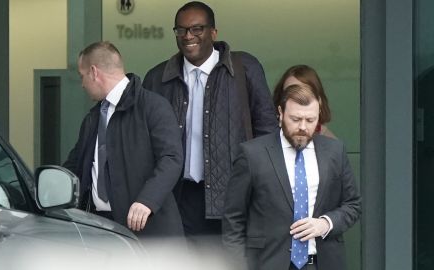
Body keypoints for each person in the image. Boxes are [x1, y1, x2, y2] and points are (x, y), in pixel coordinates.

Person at [142, 1, 277, 247]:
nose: (188, 36)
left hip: (233, 196)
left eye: (196, 29)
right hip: (178, 197)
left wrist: (265, 190)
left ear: (213, 32)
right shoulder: (157, 78)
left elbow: (267, 132)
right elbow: (143, 143)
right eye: (181, 30)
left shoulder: (244, 68)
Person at [222, 83, 361, 270]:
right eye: (295, 119)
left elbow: (353, 204)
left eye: (310, 120)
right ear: (280, 113)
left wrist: (325, 223)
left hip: (321, 262)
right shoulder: (252, 154)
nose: (303, 127)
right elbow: (233, 218)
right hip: (267, 262)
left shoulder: (335, 151)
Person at [63, 41, 184, 239]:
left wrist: (147, 201)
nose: (82, 84)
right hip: (99, 227)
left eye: (82, 76)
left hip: (148, 231)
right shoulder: (93, 118)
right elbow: (74, 166)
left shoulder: (153, 106)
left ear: (94, 72)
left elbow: (171, 158)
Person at [273, 65, 335, 138]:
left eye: (304, 93)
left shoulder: (330, 144)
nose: (297, 99)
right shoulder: (266, 136)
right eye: (289, 93)